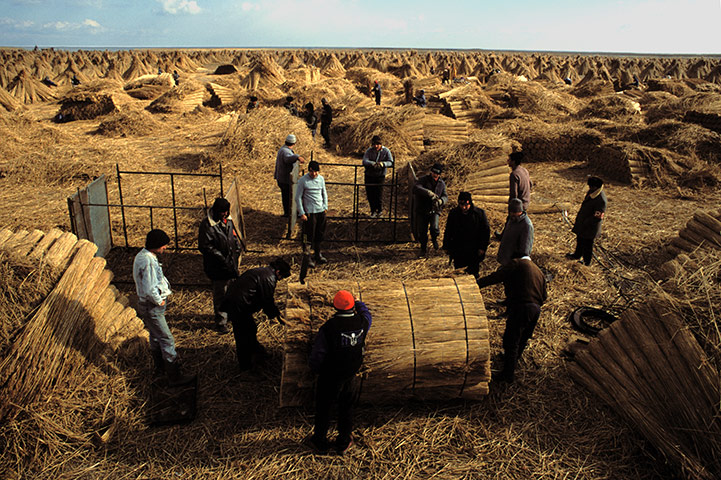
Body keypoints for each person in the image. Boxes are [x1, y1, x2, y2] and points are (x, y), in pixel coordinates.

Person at [308, 290, 372, 454]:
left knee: (324, 407)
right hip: (350, 373)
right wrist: (359, 302)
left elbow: (318, 353)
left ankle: (320, 441)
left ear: (335, 306)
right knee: (346, 407)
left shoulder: (329, 328)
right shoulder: (361, 322)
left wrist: (315, 369)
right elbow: (368, 315)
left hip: (330, 375)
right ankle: (343, 441)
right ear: (351, 306)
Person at [133, 229, 194, 385]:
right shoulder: (147, 261)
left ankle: (159, 369)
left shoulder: (144, 256)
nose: (165, 248)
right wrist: (158, 300)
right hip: (152, 306)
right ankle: (174, 376)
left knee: (155, 337)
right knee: (167, 339)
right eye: (164, 245)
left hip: (148, 306)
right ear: (156, 245)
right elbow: (149, 287)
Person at [477, 256, 547, 383]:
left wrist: (476, 284)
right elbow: (544, 296)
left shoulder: (516, 263)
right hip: (536, 309)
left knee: (512, 340)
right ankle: (513, 362)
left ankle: (508, 374)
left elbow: (496, 277)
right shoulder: (539, 271)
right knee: (522, 338)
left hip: (522, 306)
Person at [220, 258, 291, 371]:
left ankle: (259, 352)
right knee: (243, 336)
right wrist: (276, 315)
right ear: (278, 272)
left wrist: (275, 314)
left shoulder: (263, 271)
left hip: (238, 303)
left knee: (251, 329)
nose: (280, 280)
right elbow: (267, 300)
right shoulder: (269, 278)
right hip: (237, 305)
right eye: (281, 277)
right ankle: (246, 367)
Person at [198, 197, 242, 334]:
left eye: (226, 211)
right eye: (222, 212)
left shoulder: (227, 220)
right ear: (216, 210)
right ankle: (221, 322)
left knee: (232, 292)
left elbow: (232, 236)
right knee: (220, 295)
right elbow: (205, 247)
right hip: (217, 267)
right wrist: (222, 258)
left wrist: (237, 247)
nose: (225, 214)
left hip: (230, 264)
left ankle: (230, 315)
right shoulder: (206, 225)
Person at [443, 192, 490, 278]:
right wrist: (446, 246)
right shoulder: (454, 213)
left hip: (474, 250)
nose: (463, 207)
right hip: (459, 249)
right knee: (459, 273)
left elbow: (485, 232)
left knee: (473, 273)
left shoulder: (479, 214)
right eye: (461, 205)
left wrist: (483, 247)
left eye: (466, 205)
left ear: (470, 203)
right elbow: (448, 230)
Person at [566, 176, 607, 266]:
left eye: (591, 186)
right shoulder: (592, 193)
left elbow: (598, 216)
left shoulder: (601, 199)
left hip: (590, 226)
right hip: (583, 224)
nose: (589, 188)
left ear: (596, 187)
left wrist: (586, 222)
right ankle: (577, 255)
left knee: (588, 245)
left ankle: (586, 262)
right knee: (580, 240)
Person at [296, 160, 328, 267]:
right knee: (307, 234)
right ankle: (307, 256)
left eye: (316, 172)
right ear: (309, 170)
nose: (314, 174)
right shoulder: (303, 181)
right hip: (309, 212)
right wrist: (302, 212)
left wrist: (325, 207)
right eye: (312, 171)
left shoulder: (321, 179)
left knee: (319, 233)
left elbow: (324, 193)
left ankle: (318, 253)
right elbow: (298, 197)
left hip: (320, 211)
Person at [413, 163, 448, 256]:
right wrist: (428, 193)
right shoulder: (424, 180)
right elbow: (416, 187)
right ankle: (423, 248)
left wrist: (441, 201)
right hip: (423, 209)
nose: (434, 175)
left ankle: (434, 239)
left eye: (437, 173)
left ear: (440, 174)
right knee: (422, 230)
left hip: (435, 209)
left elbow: (445, 196)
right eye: (433, 172)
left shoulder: (441, 183)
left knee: (434, 227)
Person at [361, 135, 394, 218]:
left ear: (381, 144)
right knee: (370, 193)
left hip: (380, 176)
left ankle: (379, 211)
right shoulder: (369, 151)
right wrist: (372, 163)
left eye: (377, 144)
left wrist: (383, 164)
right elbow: (364, 160)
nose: (376, 146)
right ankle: (372, 211)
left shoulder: (386, 151)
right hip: (369, 175)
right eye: (374, 144)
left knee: (378, 194)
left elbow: (391, 162)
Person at [274, 134, 306, 218]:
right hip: (284, 179)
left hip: (281, 178)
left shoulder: (283, 149)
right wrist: (297, 157)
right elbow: (288, 159)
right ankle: (288, 214)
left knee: (286, 196)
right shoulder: (285, 151)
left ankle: (288, 213)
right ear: (294, 143)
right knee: (288, 197)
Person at [497, 198, 534, 267]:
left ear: (519, 211)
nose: (511, 214)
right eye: (510, 212)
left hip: (514, 262)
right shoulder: (512, 219)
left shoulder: (526, 225)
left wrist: (515, 262)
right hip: (506, 258)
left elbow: (525, 250)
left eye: (513, 213)